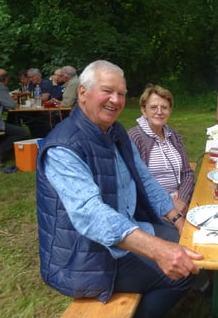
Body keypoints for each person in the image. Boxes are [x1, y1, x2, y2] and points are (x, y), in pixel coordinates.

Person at [36, 60, 202, 318]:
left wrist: (178, 218)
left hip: (124, 230)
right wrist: (159, 250)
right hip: (86, 257)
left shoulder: (114, 131)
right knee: (182, 273)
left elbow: (145, 179)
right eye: (107, 91)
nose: (115, 100)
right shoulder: (63, 147)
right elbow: (91, 214)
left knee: (190, 243)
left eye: (121, 93)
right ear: (83, 92)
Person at [128, 84, 195, 216]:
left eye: (164, 107)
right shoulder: (135, 137)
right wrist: (167, 205)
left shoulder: (174, 136)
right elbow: (135, 182)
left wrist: (182, 200)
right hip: (152, 207)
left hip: (179, 201)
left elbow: (187, 172)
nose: (159, 112)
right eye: (153, 107)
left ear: (170, 110)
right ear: (144, 110)